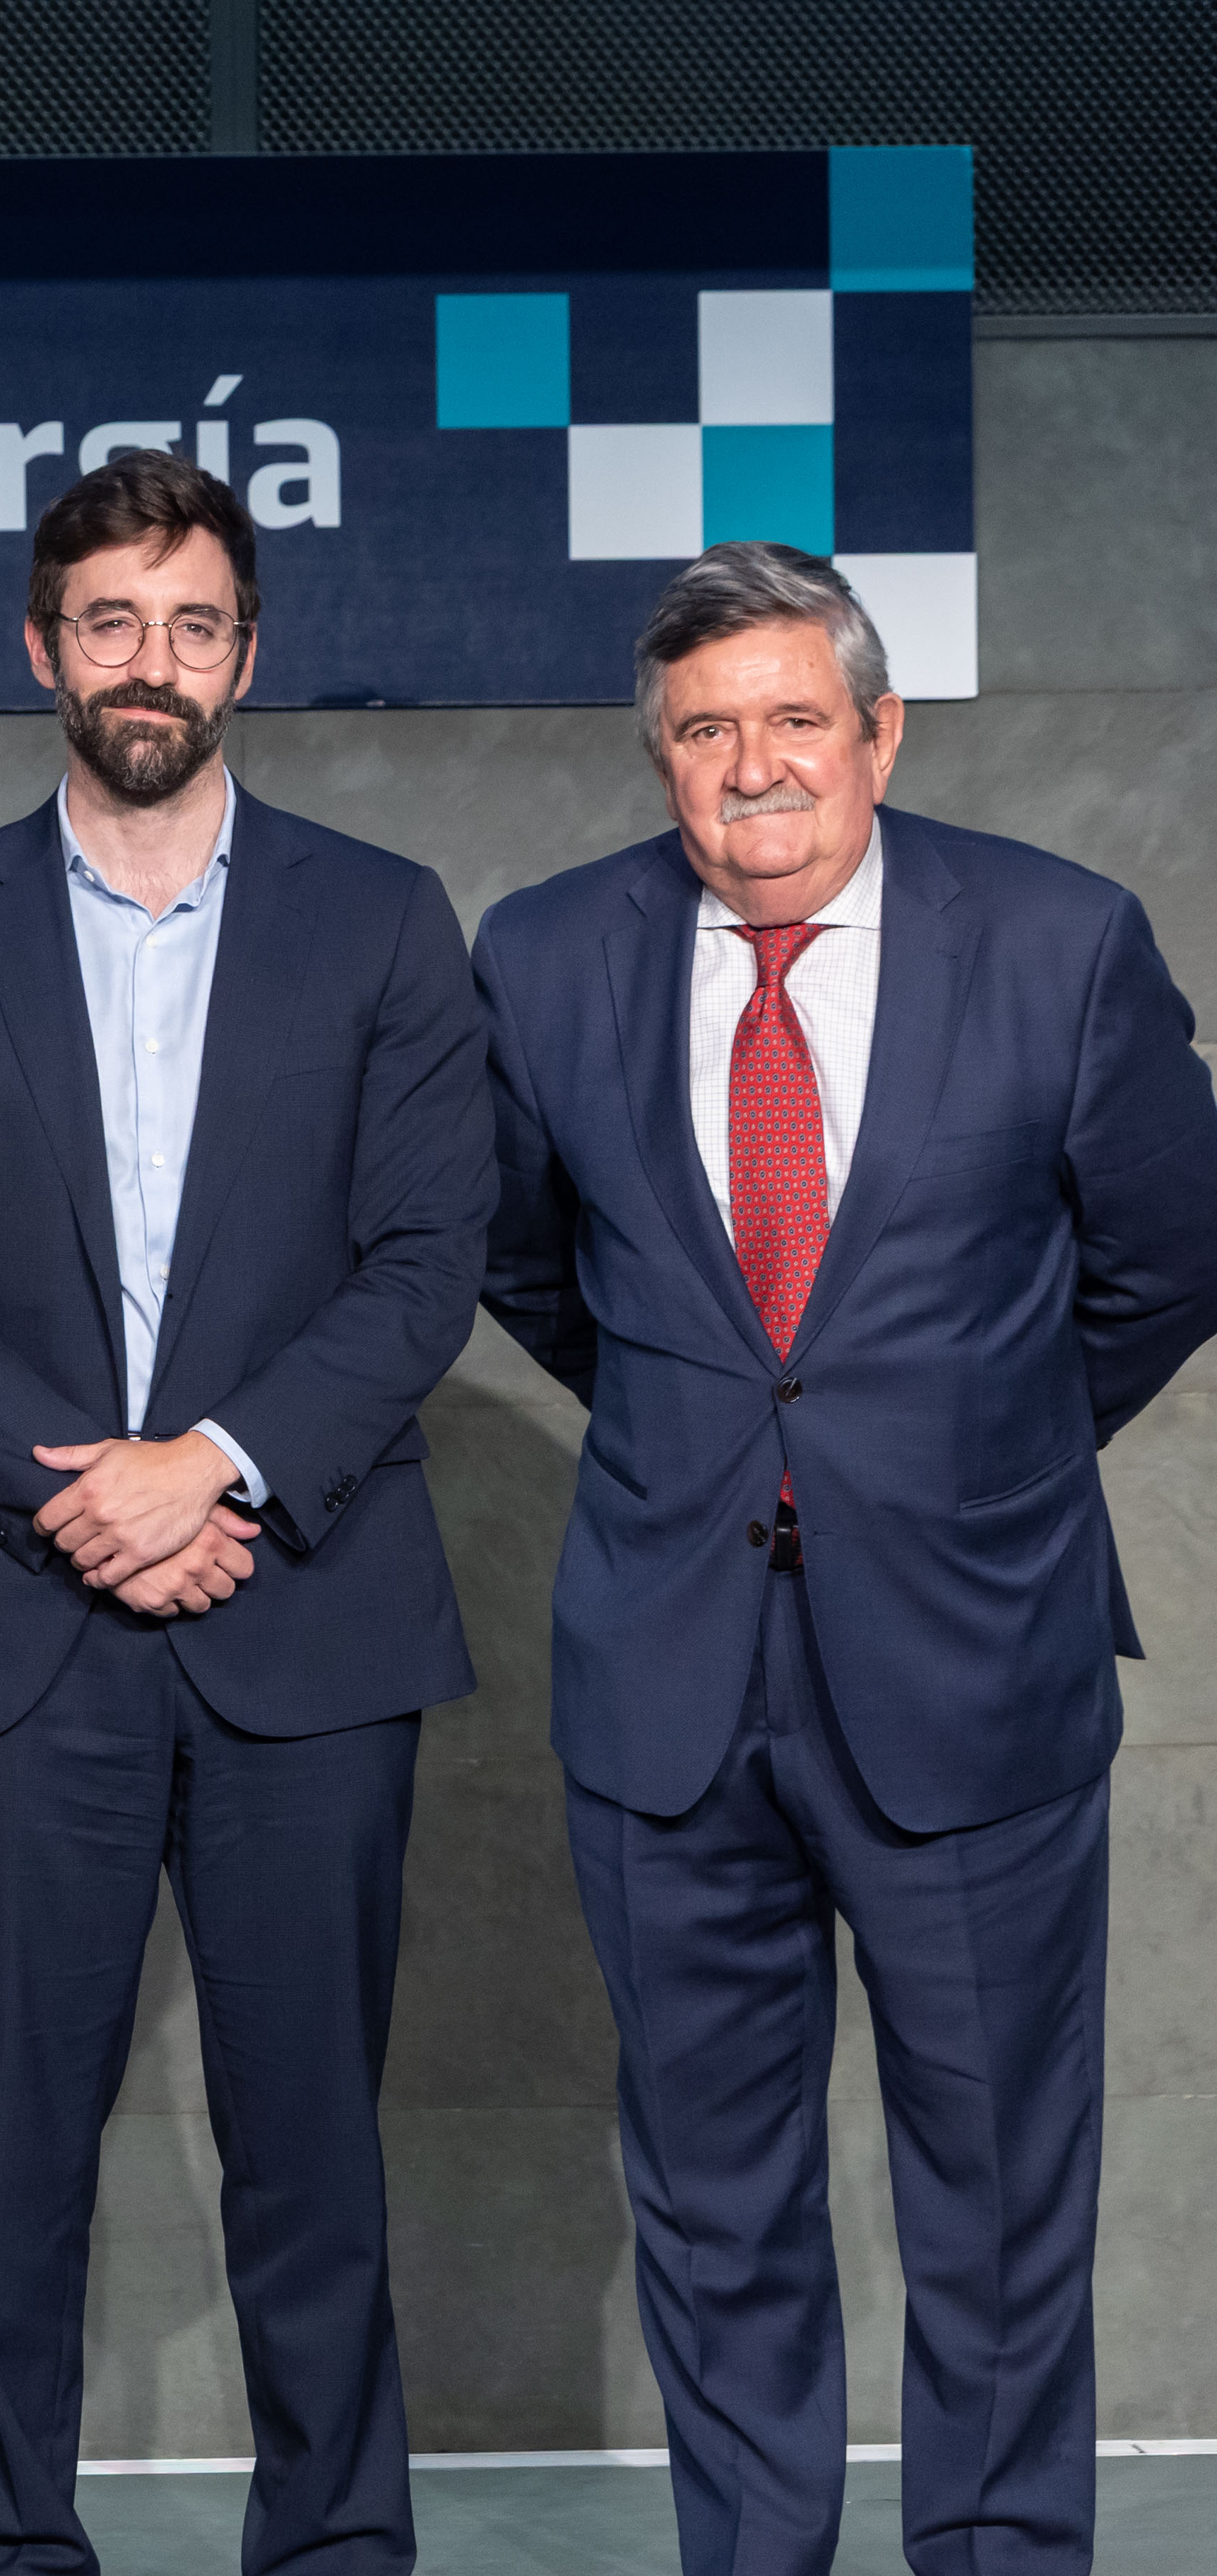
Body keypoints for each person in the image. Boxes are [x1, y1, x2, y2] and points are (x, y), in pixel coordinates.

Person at [477, 542, 1217, 2576]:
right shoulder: (544, 956)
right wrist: (717, 1441)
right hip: (670, 1678)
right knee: (713, 2207)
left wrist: (965, 1461)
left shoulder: (1061, 940)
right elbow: (532, 1270)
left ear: (880, 735)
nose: (757, 766)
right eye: (706, 731)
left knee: (999, 2201)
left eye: (798, 718)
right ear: (660, 760)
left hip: (972, 1665)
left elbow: (1171, 1260)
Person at [0, 450, 492, 2576]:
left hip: (306, 1612)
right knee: (14, 2156)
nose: (151, 662)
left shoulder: (383, 919)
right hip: (23, 1634)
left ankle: (337, 2549)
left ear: (247, 658)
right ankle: (15, 2549)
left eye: (194, 625)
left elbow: (426, 1261)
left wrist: (213, 1465)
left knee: (313, 2154)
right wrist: (98, 1498)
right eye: (110, 621)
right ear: (44, 646)